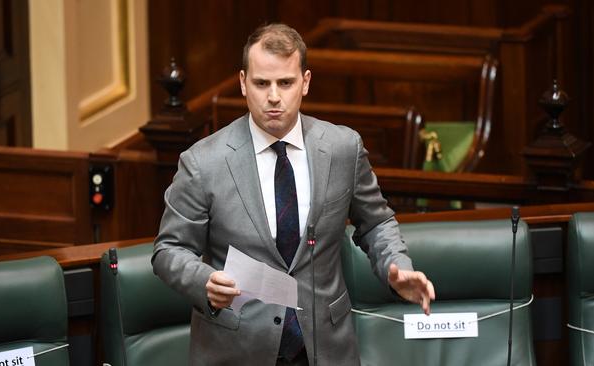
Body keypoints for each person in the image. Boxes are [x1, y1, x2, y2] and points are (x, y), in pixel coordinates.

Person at [152, 23, 435, 366]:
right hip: (237, 348)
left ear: (306, 82)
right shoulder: (203, 162)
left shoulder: (342, 148)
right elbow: (169, 250)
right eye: (261, 83)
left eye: (285, 83)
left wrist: (396, 265)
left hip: (326, 348)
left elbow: (375, 223)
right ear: (243, 83)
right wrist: (204, 281)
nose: (273, 96)